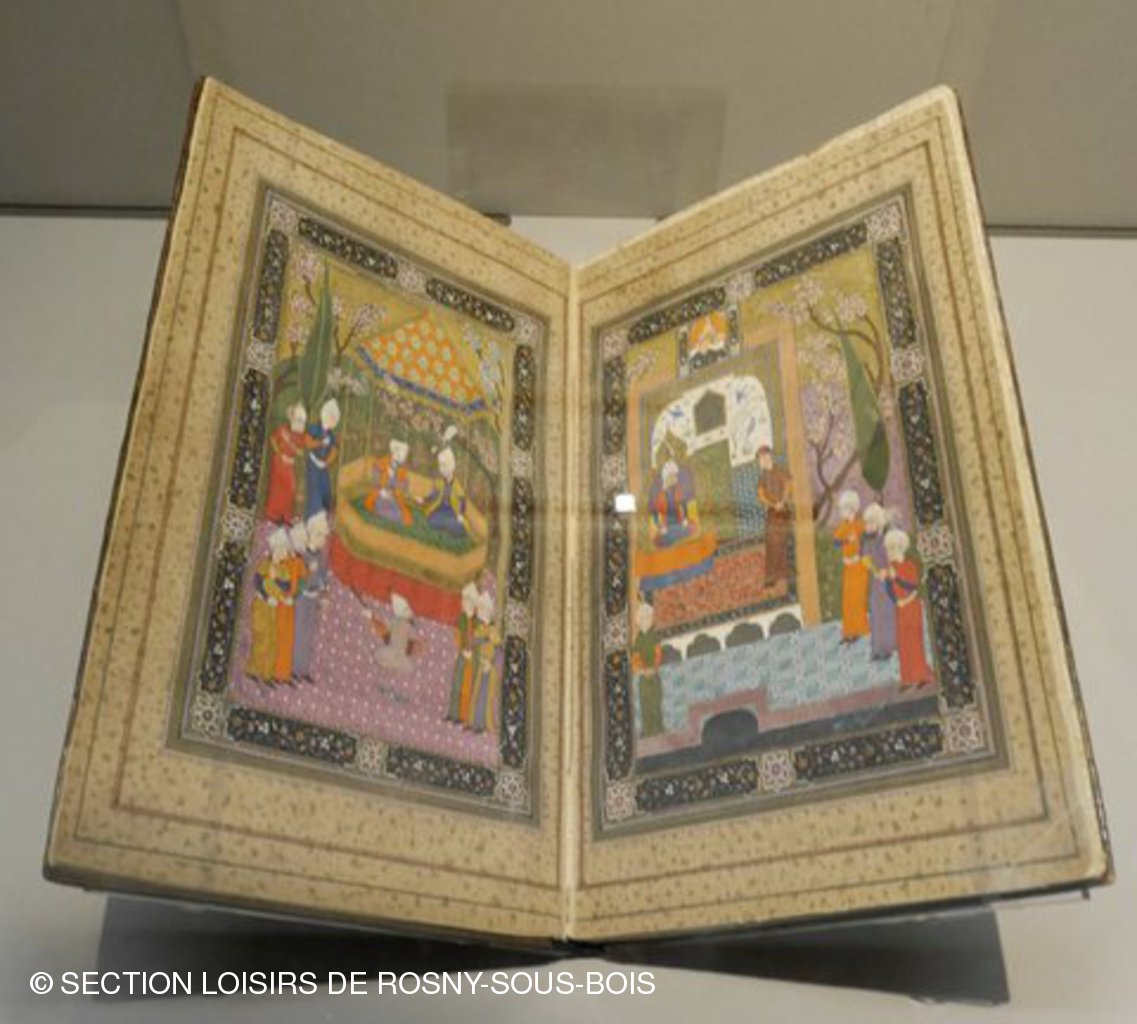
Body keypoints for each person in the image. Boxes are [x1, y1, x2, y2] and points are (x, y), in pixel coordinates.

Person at [247, 527, 302, 684]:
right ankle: (254, 670)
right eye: (282, 551)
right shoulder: (266, 564)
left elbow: (285, 586)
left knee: (273, 641)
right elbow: (257, 582)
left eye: (285, 551)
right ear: (275, 550)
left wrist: (276, 581)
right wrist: (267, 594)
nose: (284, 554)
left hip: (273, 609)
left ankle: (267, 674)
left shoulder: (282, 569)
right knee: (261, 639)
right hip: (262, 606)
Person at [883, 529, 935, 688]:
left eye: (891, 549)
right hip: (900, 608)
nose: (888, 553)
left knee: (914, 641)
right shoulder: (891, 567)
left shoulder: (910, 565)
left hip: (912, 606)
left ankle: (921, 675)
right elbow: (888, 588)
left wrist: (897, 578)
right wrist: (895, 600)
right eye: (888, 549)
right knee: (903, 643)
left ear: (899, 549)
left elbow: (912, 586)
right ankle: (907, 678)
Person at [292, 512, 330, 683]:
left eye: (324, 536)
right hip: (301, 597)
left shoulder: (321, 555)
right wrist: (308, 571)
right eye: (320, 535)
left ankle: (303, 669)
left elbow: (323, 576)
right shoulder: (302, 554)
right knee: (298, 631)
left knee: (308, 632)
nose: (323, 540)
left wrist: (324, 594)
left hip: (313, 598)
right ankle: (293, 668)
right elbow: (295, 575)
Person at [833, 489, 870, 644]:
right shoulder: (843, 526)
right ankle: (848, 631)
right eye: (841, 509)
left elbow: (868, 543)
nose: (842, 512)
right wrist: (846, 541)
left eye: (844, 509)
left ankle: (859, 629)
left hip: (859, 566)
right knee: (847, 599)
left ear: (852, 509)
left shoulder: (860, 525)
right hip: (848, 567)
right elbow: (836, 543)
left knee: (857, 598)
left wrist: (859, 554)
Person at [862, 503, 897, 661]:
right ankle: (878, 648)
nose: (867, 526)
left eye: (870, 523)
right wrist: (874, 570)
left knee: (887, 613)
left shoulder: (886, 540)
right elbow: (866, 559)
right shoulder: (868, 542)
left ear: (878, 523)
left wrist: (886, 571)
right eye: (866, 523)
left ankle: (889, 646)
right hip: (876, 583)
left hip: (887, 582)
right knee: (876, 613)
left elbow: (893, 559)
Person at [756, 445, 794, 587]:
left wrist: (782, 502)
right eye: (760, 459)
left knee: (780, 540)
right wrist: (772, 504)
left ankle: (782, 573)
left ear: (769, 456)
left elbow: (788, 486)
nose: (762, 461)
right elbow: (761, 495)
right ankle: (772, 575)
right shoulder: (763, 477)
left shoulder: (780, 471)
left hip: (783, 511)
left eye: (763, 457)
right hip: (772, 511)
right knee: (771, 541)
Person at [264, 404, 306, 523]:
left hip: (290, 464)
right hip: (279, 462)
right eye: (298, 420)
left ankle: (286, 515)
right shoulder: (283, 429)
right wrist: (279, 452)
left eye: (302, 421)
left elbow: (301, 452)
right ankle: (273, 514)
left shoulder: (300, 436)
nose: (300, 423)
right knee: (277, 487)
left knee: (290, 489)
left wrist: (294, 448)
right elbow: (273, 439)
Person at [468, 591, 501, 734]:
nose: (481, 613)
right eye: (480, 610)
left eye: (483, 610)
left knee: (486, 696)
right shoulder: (479, 629)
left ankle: (485, 724)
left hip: (489, 667)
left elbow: (498, 648)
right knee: (476, 694)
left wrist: (491, 664)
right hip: (479, 665)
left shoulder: (493, 630)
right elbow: (474, 642)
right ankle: (475, 723)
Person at [447, 582, 479, 722]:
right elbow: (458, 635)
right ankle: (453, 713)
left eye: (467, 600)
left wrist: (472, 652)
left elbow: (478, 640)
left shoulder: (477, 621)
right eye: (463, 600)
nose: (464, 603)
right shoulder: (462, 618)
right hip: (462, 655)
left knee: (467, 687)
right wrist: (462, 648)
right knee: (457, 684)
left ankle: (465, 716)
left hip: (472, 659)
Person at [630, 601, 664, 738]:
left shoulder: (655, 636)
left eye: (649, 617)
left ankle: (658, 728)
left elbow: (658, 654)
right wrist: (643, 670)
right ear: (639, 621)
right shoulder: (638, 640)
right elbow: (635, 659)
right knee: (645, 704)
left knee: (656, 702)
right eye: (644, 618)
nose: (647, 621)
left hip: (654, 677)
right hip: (644, 679)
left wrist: (654, 668)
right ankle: (648, 730)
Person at [422, 446, 470, 539]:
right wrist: (424, 499)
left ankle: (450, 527)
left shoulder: (457, 486)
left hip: (452, 512)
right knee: (432, 520)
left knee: (455, 525)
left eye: (444, 465)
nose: (442, 469)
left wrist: (460, 515)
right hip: (440, 509)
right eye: (440, 466)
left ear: (451, 466)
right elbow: (434, 494)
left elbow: (462, 501)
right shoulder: (439, 482)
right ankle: (444, 526)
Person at [305, 398, 340, 519]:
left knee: (326, 489)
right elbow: (307, 443)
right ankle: (313, 517)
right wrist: (320, 443)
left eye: (334, 418)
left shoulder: (331, 435)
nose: (331, 420)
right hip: (313, 463)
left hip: (323, 466)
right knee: (315, 490)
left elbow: (334, 451)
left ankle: (325, 515)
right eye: (330, 416)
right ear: (324, 415)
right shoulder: (314, 428)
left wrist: (326, 462)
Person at [365, 438, 413, 526]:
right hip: (380, 495)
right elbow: (375, 481)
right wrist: (381, 491)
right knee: (384, 510)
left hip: (394, 496)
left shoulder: (402, 468)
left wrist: (397, 487)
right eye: (401, 454)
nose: (403, 457)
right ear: (394, 452)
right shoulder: (380, 463)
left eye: (404, 455)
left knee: (399, 515)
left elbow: (405, 484)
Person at [376, 593, 416, 673]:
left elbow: (412, 637)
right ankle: (392, 661)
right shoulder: (395, 622)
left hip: (400, 648)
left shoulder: (407, 626)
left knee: (398, 654)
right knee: (391, 653)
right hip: (394, 645)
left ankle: (394, 661)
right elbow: (387, 630)